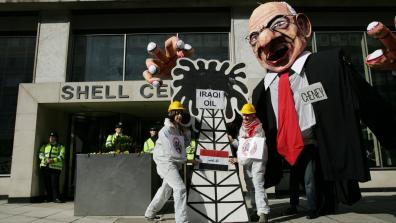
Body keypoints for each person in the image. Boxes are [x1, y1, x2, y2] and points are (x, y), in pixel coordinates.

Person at [249, 1, 395, 219]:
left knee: (313, 178)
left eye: (278, 24)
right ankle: (304, 204)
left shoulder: (329, 66)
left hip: (317, 141)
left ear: (303, 27)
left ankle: (315, 208)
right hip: (287, 146)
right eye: (254, 36)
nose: (265, 39)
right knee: (298, 180)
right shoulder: (262, 90)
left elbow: (368, 102)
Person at [144, 101, 191, 223]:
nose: (179, 115)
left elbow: (182, 146)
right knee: (180, 189)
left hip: (174, 162)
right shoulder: (165, 131)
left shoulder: (178, 129)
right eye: (177, 113)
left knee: (166, 189)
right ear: (171, 113)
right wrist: (187, 160)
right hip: (166, 163)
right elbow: (171, 150)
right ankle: (182, 221)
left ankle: (150, 212)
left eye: (181, 113)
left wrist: (187, 133)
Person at [229, 103, 270, 223]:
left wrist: (239, 160)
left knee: (257, 185)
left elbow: (253, 150)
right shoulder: (243, 127)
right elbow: (243, 145)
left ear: (253, 115)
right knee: (250, 186)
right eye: (244, 115)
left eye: (248, 115)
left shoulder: (258, 129)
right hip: (247, 161)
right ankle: (256, 210)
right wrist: (232, 141)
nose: (246, 117)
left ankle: (263, 213)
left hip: (257, 160)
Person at [38, 131, 65, 203]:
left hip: (55, 168)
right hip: (45, 167)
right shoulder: (44, 146)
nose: (51, 138)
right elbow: (40, 154)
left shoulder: (61, 147)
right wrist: (46, 159)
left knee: (54, 184)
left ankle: (56, 198)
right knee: (47, 183)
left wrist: (53, 160)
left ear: (56, 138)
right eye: (50, 137)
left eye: (53, 137)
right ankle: (48, 198)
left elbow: (61, 156)